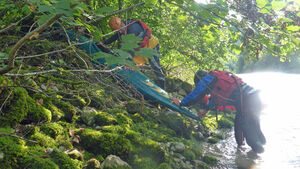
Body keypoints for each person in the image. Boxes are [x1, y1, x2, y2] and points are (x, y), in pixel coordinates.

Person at [171, 70, 266, 153]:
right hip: (255, 98)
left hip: (246, 102)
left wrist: (181, 103)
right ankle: (243, 152)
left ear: (200, 78)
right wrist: (206, 110)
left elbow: (197, 93)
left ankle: (254, 157)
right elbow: (216, 99)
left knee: (252, 139)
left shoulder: (207, 78)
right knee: (248, 129)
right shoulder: (220, 77)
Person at [97, 16, 165, 89]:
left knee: (155, 65)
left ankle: (162, 86)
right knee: (132, 63)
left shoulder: (133, 29)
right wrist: (104, 43)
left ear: (122, 24)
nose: (119, 32)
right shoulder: (123, 27)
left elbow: (132, 48)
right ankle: (136, 81)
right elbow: (116, 36)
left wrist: (128, 62)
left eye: (119, 30)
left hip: (151, 45)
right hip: (140, 47)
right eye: (117, 30)